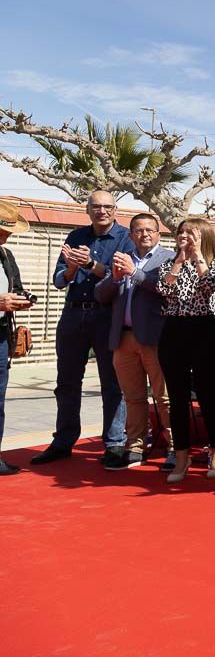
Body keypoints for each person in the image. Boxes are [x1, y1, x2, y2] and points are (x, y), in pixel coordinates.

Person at [31, 190, 133, 466]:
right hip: (74, 315)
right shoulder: (75, 236)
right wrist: (73, 269)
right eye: (96, 206)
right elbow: (59, 280)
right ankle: (63, 441)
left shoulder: (126, 238)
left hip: (107, 316)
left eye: (107, 206)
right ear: (87, 209)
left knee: (112, 383)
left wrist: (91, 263)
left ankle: (114, 443)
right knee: (66, 382)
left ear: (115, 210)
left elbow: (122, 278)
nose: (102, 211)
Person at [95, 213, 174, 471]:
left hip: (156, 339)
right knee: (133, 397)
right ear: (131, 235)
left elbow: (166, 289)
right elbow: (101, 295)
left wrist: (135, 273)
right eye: (139, 231)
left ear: (159, 234)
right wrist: (115, 278)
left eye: (150, 230)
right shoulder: (121, 258)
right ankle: (135, 446)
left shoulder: (170, 259)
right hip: (123, 337)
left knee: (165, 398)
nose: (145, 235)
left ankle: (175, 446)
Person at [155, 218, 215, 484]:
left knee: (209, 396)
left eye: (191, 233)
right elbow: (163, 289)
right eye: (181, 232)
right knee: (177, 397)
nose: (185, 237)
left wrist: (197, 254)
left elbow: (211, 286)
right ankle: (182, 454)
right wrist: (179, 259)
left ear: (205, 237)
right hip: (174, 329)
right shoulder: (170, 262)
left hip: (206, 328)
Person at [0, 200, 34, 476]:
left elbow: (18, 288)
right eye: (2, 230)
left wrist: (22, 300)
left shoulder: (7, 255)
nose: (6, 235)